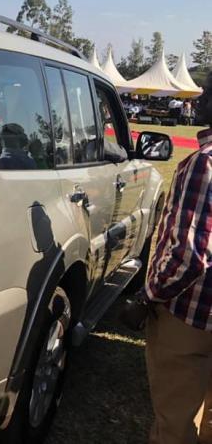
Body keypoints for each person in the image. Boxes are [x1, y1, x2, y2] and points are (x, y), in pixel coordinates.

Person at [145, 72, 212, 444]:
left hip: (192, 316)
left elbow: (189, 255)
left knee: (174, 424)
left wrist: (150, 295)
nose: (199, 96)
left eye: (208, 90)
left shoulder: (204, 164)